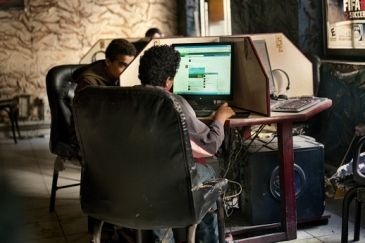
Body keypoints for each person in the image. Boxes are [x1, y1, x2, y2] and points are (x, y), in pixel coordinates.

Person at [138, 44, 235, 243]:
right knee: (208, 174)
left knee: (155, 181)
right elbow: (209, 146)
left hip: (135, 180)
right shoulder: (173, 103)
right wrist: (220, 119)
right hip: (171, 182)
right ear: (168, 80)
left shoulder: (125, 100)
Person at [69, 38, 137, 243]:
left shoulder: (117, 78)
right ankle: (108, 222)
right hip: (85, 136)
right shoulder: (90, 82)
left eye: (129, 65)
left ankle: (131, 220)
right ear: (108, 61)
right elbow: (93, 125)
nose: (126, 70)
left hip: (108, 134)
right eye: (122, 64)